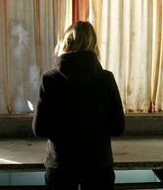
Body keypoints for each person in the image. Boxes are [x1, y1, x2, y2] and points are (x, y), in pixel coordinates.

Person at [32, 21, 125, 190]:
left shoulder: (49, 79)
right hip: (98, 163)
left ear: (65, 43)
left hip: (61, 164)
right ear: (93, 44)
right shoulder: (106, 79)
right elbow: (118, 128)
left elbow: (40, 129)